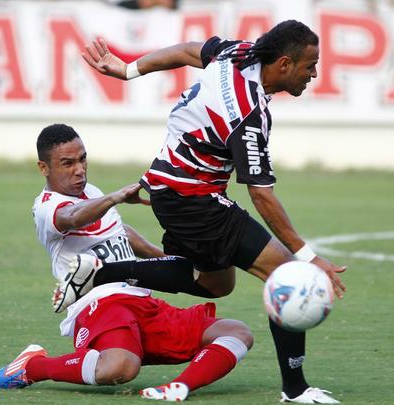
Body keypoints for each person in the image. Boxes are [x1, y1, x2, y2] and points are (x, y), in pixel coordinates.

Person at [80, 20, 346, 404]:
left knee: (216, 284)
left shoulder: (238, 53)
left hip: (171, 190)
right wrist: (309, 256)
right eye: (310, 65)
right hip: (194, 200)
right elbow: (262, 195)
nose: (315, 73)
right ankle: (295, 389)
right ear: (284, 64)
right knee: (287, 272)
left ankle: (102, 272)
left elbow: (189, 49)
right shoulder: (249, 114)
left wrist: (128, 70)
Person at [0, 123, 253, 401]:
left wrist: (163, 259)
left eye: (82, 159)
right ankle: (33, 366)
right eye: (67, 163)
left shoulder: (93, 192)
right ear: (44, 168)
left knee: (236, 332)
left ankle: (178, 387)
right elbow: (72, 217)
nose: (79, 169)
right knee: (119, 368)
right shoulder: (46, 206)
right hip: (100, 307)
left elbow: (120, 232)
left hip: (141, 301)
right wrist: (116, 197)